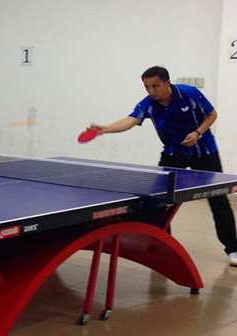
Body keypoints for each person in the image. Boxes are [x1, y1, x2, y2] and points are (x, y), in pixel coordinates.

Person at [89, 66, 237, 267]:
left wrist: (198, 133)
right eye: (147, 87)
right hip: (173, 154)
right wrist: (105, 128)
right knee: (159, 200)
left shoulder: (189, 94)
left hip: (204, 153)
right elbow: (130, 120)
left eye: (155, 86)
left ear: (167, 83)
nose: (151, 91)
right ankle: (161, 245)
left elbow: (212, 115)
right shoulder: (149, 104)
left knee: (218, 200)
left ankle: (233, 249)